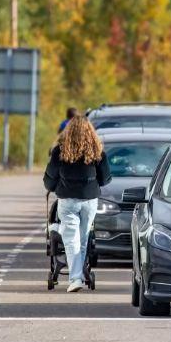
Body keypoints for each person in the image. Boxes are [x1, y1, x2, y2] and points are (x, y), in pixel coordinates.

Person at [42, 116, 112, 293]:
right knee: (83, 239)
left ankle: (76, 278)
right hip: (89, 201)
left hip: (67, 200)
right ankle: (78, 275)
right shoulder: (97, 151)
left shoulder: (60, 151)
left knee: (71, 240)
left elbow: (50, 177)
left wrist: (52, 186)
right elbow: (105, 179)